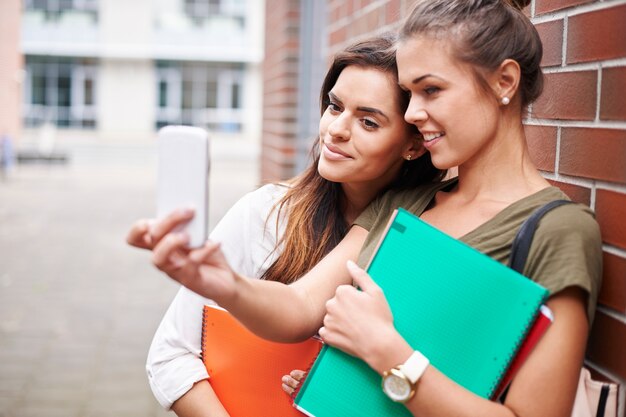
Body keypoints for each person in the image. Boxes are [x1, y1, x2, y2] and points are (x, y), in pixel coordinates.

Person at [142, 0, 602, 415]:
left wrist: (386, 354)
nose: (413, 113)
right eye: (409, 93)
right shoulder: (407, 203)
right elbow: (299, 306)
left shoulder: (557, 230)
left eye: (431, 90)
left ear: (504, 81)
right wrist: (223, 284)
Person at [127, 35, 444, 416]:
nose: (336, 129)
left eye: (368, 121)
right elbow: (170, 356)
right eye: (334, 106)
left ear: (412, 144)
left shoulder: (427, 234)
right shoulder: (266, 213)